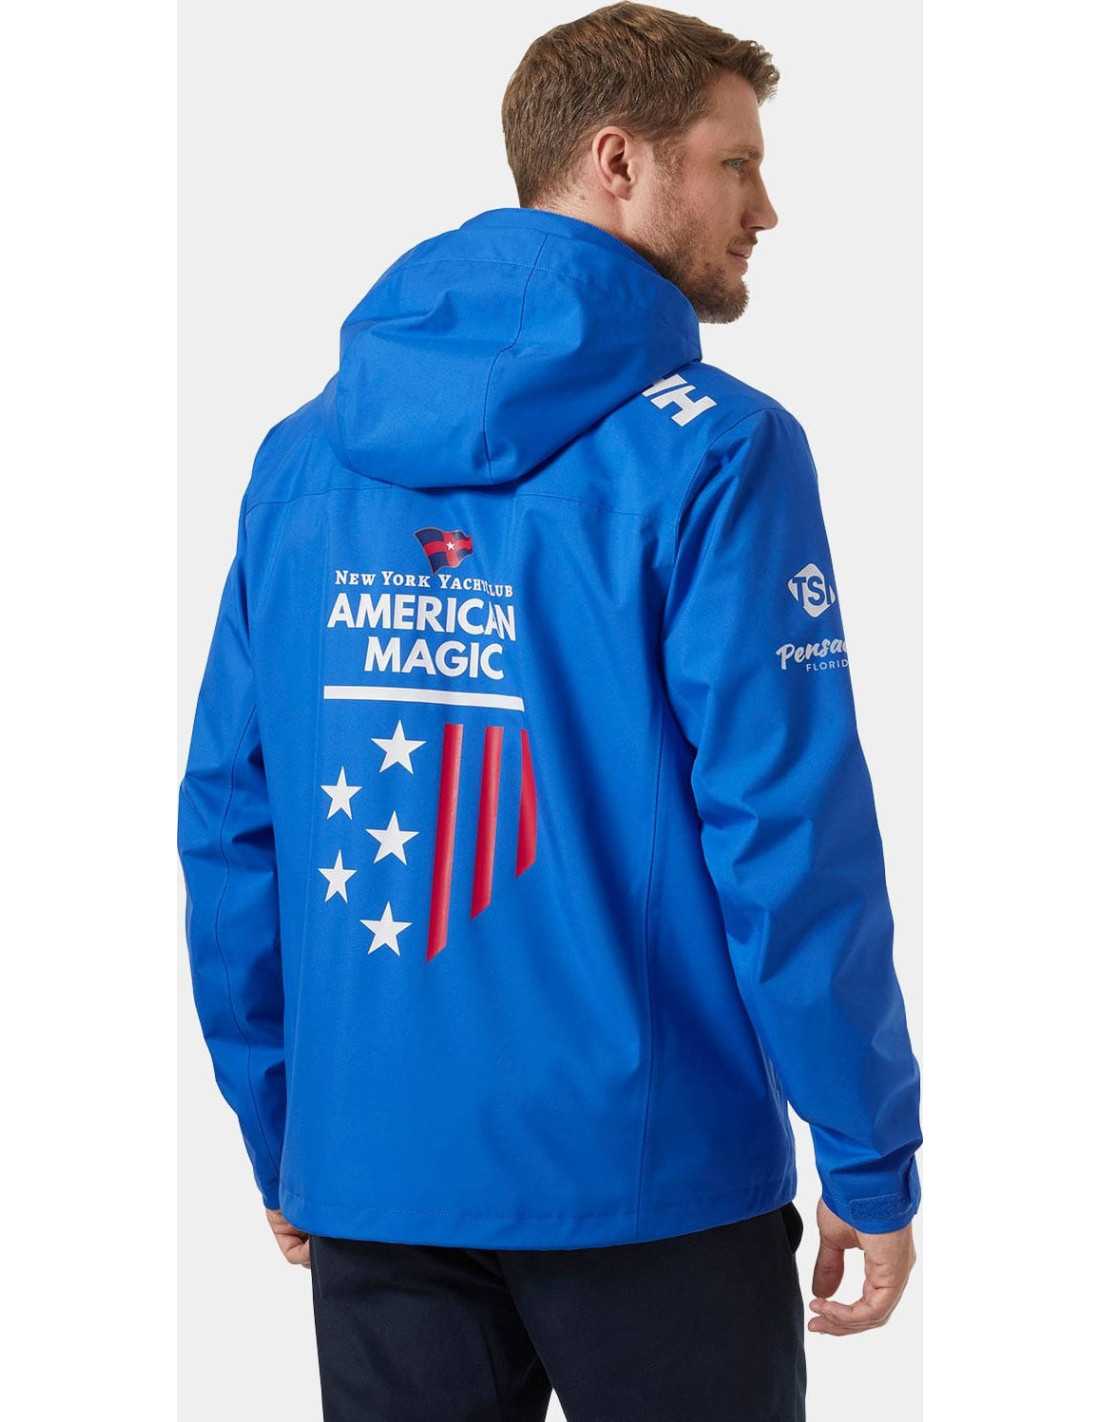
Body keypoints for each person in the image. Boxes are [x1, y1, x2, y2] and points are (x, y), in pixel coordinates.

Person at [178, 4, 921, 1417]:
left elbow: (230, 817)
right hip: (656, 1188)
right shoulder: (721, 454)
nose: (766, 208)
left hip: (376, 1177)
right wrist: (870, 1154)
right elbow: (787, 833)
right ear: (619, 160)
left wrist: (287, 1129)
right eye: (737, 162)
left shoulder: (303, 456)